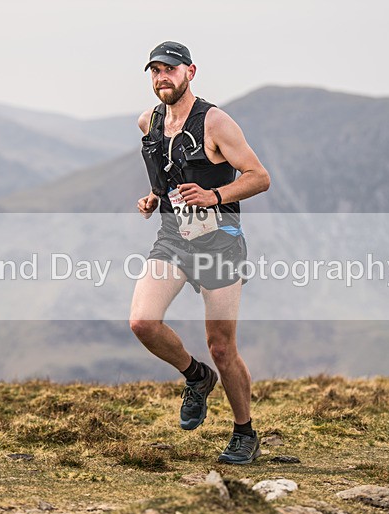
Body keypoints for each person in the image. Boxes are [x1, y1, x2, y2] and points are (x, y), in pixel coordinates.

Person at [129, 41, 270, 464]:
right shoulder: (148, 121)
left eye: (170, 70)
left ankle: (245, 433)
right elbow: (167, 170)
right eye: (155, 71)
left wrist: (215, 194)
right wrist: (156, 197)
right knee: (142, 322)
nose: (162, 78)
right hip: (173, 236)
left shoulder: (215, 122)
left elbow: (259, 177)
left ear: (190, 72)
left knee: (222, 347)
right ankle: (196, 377)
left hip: (219, 242)